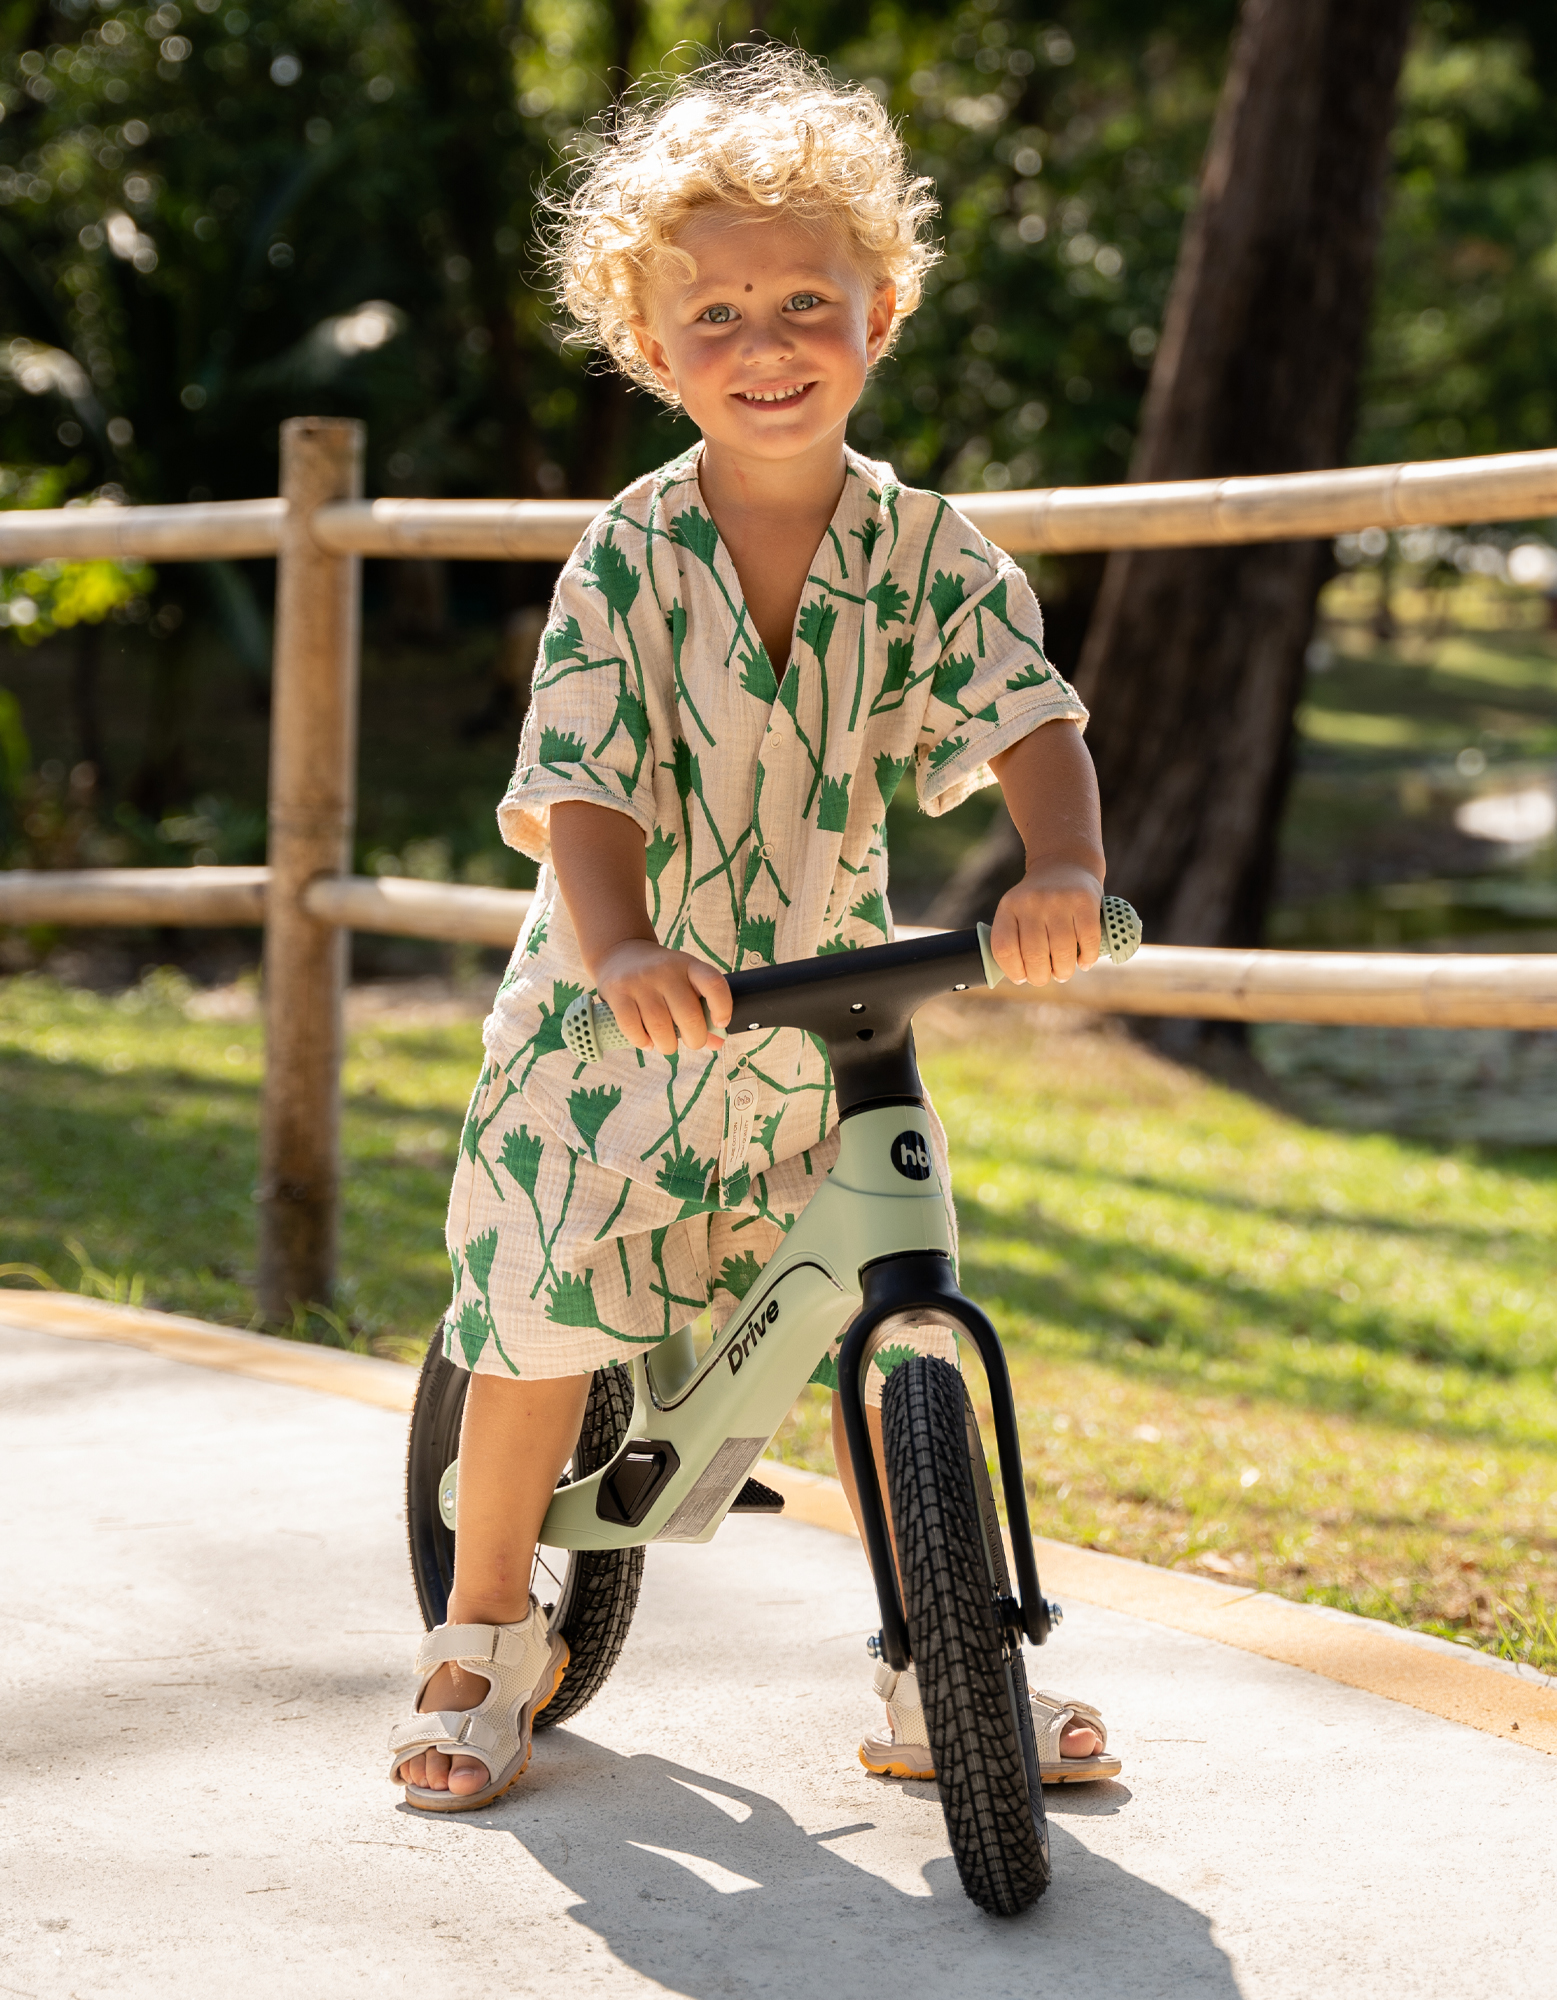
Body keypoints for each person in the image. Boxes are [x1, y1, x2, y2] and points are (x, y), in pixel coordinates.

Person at [389, 47, 1118, 1812]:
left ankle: (945, 1664)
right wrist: (624, 945)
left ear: (885, 307)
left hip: (818, 1004)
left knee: (896, 1321)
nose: (766, 340)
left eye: (807, 298)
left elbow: (1030, 718)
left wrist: (1059, 872)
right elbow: (583, 782)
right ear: (649, 346)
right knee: (541, 1323)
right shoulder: (626, 558)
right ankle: (484, 1634)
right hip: (611, 1019)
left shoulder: (931, 551)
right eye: (713, 313)